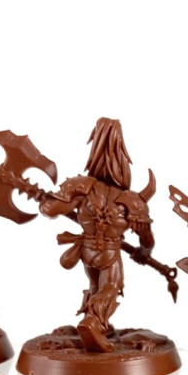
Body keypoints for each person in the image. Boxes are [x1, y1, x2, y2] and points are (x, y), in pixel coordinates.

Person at [38, 117, 156, 352]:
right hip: (109, 253)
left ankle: (99, 328)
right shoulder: (132, 201)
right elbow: (146, 238)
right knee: (110, 287)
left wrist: (44, 199)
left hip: (86, 251)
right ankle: (93, 322)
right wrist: (144, 252)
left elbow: (50, 210)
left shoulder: (81, 187)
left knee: (95, 286)